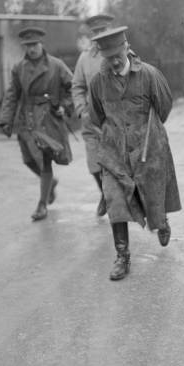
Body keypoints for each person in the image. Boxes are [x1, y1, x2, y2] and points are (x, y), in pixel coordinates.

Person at [88, 26, 180, 281]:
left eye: (117, 54)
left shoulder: (149, 75)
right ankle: (122, 256)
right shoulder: (98, 82)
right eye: (108, 57)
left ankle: (161, 222)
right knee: (115, 202)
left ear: (126, 47)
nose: (114, 61)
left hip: (148, 147)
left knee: (152, 196)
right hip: (113, 153)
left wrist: (139, 132)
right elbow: (96, 115)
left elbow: (164, 107)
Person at [0, 27, 74, 221]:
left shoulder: (56, 65)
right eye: (28, 45)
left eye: (34, 44)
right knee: (28, 160)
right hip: (27, 119)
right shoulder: (19, 68)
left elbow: (73, 88)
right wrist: (6, 119)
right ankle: (50, 183)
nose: (31, 49)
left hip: (47, 119)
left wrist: (65, 107)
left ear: (42, 44)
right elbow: (12, 95)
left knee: (44, 161)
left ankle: (42, 204)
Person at [71, 13, 115, 216]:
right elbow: (78, 86)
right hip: (91, 120)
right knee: (94, 165)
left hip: (115, 120)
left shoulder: (121, 53)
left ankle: (116, 200)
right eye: (96, 32)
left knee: (115, 163)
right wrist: (81, 110)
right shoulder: (85, 57)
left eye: (103, 30)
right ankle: (105, 194)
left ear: (110, 30)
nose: (100, 35)